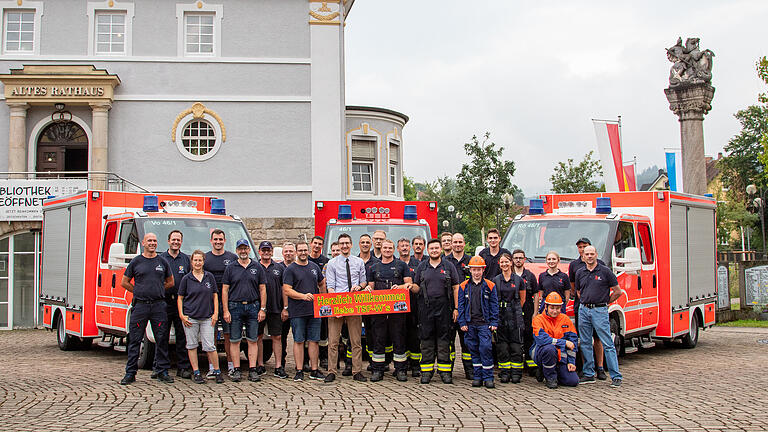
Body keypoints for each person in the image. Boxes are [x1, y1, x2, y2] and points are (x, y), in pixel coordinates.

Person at [119, 233, 174, 385]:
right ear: (143, 243)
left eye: (155, 241)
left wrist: (158, 290)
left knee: (162, 339)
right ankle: (130, 373)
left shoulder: (162, 261)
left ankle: (162, 370)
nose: (152, 243)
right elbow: (124, 282)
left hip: (158, 306)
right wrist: (138, 290)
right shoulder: (136, 262)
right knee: (135, 339)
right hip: (141, 305)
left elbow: (170, 282)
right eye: (149, 241)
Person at [412, 238, 461, 384]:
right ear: (428, 250)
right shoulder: (422, 267)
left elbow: (456, 287)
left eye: (436, 248)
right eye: (431, 248)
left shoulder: (449, 266)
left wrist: (457, 308)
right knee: (426, 340)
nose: (434, 250)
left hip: (445, 308)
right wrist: (409, 287)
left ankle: (445, 372)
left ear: (440, 250)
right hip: (426, 309)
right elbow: (416, 287)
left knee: (444, 341)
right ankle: (426, 372)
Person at [574, 245, 623, 387]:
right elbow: (578, 292)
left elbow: (617, 291)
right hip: (584, 310)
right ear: (583, 256)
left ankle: (616, 376)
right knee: (585, 342)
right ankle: (589, 374)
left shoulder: (605, 271)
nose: (589, 256)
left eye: (591, 254)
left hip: (600, 310)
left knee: (607, 343)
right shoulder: (579, 272)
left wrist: (605, 302)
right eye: (586, 254)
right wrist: (586, 301)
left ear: (596, 254)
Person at [367, 239, 413, 382]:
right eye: (385, 248)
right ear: (381, 249)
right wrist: (368, 289)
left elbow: (409, 283)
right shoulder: (374, 268)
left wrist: (400, 287)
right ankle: (377, 370)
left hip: (397, 309)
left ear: (394, 249)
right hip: (379, 309)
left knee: (398, 337)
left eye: (390, 248)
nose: (387, 250)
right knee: (378, 338)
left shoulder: (401, 265)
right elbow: (371, 286)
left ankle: (400, 369)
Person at [324, 233, 368, 383]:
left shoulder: (359, 262)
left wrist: (359, 287)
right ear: (338, 245)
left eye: (346, 243)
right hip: (338, 303)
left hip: (354, 304)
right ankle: (331, 371)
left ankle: (357, 371)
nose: (344, 246)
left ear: (351, 245)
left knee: (356, 341)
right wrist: (336, 305)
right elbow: (330, 286)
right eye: (341, 243)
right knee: (333, 341)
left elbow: (364, 282)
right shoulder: (332, 263)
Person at [222, 239, 267, 383]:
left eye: (245, 248)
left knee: (252, 339)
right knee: (234, 340)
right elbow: (225, 289)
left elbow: (262, 289)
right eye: (240, 248)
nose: (243, 251)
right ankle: (236, 369)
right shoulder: (231, 267)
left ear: (249, 250)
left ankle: (252, 369)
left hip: (253, 307)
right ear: (236, 251)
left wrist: (262, 308)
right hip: (235, 307)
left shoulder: (257, 267)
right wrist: (225, 310)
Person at [282, 241, 327, 382]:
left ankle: (314, 369)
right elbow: (287, 290)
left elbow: (322, 283)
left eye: (304, 250)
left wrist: (323, 300)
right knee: (299, 340)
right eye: (300, 250)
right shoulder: (290, 269)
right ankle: (299, 370)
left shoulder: (314, 267)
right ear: (296, 252)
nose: (302, 253)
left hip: (314, 311)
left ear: (308, 251)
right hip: (297, 311)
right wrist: (303, 296)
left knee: (314, 341)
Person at [177, 250, 223, 384]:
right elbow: (180, 298)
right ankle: (196, 372)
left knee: (210, 346)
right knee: (192, 345)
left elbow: (215, 295)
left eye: (200, 260)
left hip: (207, 317)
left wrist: (215, 313)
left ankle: (217, 371)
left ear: (204, 262)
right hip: (191, 318)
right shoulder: (186, 278)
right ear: (191, 262)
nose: (197, 263)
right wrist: (182, 315)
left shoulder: (209, 277)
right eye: (195, 260)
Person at [457, 256, 499, 389]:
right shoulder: (463, 286)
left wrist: (494, 321)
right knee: (473, 349)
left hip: (484, 324)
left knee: (485, 348)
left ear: (483, 270)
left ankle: (488, 377)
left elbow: (494, 305)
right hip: (470, 324)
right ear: (470, 270)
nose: (476, 272)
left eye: (479, 270)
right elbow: (461, 306)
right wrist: (462, 322)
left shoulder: (490, 285)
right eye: (474, 270)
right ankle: (478, 376)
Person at [569, 237, 607, 380]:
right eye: (580, 247)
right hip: (581, 306)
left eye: (585, 246)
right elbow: (574, 286)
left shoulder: (601, 265)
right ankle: (587, 369)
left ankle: (600, 368)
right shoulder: (574, 265)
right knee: (584, 339)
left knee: (598, 338)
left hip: (598, 307)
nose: (582, 249)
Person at [156, 230, 191, 379]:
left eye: (178, 240)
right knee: (162, 335)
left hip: (181, 303)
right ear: (168, 241)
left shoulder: (186, 260)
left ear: (181, 242)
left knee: (182, 336)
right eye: (173, 240)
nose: (176, 242)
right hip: (164, 302)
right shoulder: (161, 259)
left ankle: (183, 367)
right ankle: (159, 367)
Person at [204, 229, 238, 379]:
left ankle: (231, 366)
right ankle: (212, 367)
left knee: (228, 334)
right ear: (211, 241)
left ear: (225, 241)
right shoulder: (205, 258)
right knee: (210, 335)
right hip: (210, 301)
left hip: (228, 301)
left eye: (220, 239)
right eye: (215, 239)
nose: (218, 242)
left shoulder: (232, 257)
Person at [531, 292, 579, 389]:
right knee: (550, 349)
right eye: (552, 308)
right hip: (542, 353)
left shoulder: (565, 319)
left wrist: (571, 362)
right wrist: (563, 342)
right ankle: (550, 378)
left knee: (573, 381)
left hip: (561, 357)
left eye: (557, 308)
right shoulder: (538, 320)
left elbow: (572, 342)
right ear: (546, 307)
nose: (555, 311)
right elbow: (542, 340)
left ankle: (550, 371)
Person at [255, 241, 289, 379]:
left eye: (268, 250)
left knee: (277, 337)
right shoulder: (255, 266)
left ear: (272, 251)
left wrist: (285, 307)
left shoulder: (279, 268)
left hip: (276, 307)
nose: (266, 252)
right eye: (263, 250)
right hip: (258, 308)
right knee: (258, 336)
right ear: (259, 252)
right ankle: (260, 365)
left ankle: (278, 366)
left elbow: (284, 289)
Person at [492, 252, 526, 383]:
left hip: (515, 315)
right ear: (499, 264)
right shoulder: (496, 280)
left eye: (506, 262)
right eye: (502, 262)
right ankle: (505, 372)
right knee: (502, 347)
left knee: (516, 346)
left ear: (511, 263)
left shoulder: (518, 280)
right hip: (500, 315)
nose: (504, 264)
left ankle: (516, 372)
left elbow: (522, 299)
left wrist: (514, 310)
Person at [444, 232, 473, 379]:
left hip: (467, 307)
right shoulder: (445, 261)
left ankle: (470, 371)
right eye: (455, 242)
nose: (457, 245)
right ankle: (447, 371)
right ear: (451, 244)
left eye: (460, 242)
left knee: (467, 341)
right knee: (449, 341)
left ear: (464, 243)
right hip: (449, 307)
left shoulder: (471, 261)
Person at [511, 249, 539, 373]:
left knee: (528, 337)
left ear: (524, 259)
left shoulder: (530, 275)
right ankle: (516, 364)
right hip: (512, 309)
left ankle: (531, 365)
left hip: (527, 308)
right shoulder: (508, 274)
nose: (518, 260)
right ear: (512, 259)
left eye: (520, 258)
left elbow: (536, 294)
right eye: (515, 258)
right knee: (514, 337)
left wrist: (535, 313)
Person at [398, 237, 422, 376]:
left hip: (414, 306)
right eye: (402, 246)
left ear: (410, 248)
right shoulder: (394, 264)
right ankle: (403, 364)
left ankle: (415, 366)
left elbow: (420, 284)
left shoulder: (418, 264)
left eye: (407, 246)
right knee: (401, 335)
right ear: (398, 249)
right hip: (399, 307)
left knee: (414, 337)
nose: (405, 248)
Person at [308, 236, 330, 369]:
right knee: (307, 332)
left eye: (319, 244)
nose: (317, 246)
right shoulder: (305, 259)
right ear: (311, 244)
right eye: (315, 243)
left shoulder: (326, 261)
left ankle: (323, 358)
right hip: (307, 301)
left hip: (321, 301)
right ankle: (306, 360)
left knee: (323, 332)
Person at [358, 233, 379, 366]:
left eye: (367, 242)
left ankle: (373, 362)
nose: (365, 244)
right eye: (363, 242)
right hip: (356, 303)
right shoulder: (353, 261)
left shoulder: (377, 263)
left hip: (373, 304)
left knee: (373, 334)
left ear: (371, 245)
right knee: (353, 335)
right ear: (359, 244)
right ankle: (351, 363)